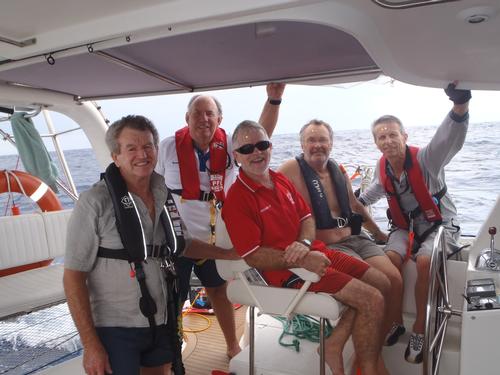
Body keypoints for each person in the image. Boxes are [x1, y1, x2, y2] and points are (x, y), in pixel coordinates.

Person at [63, 115, 239, 375]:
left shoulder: (162, 192)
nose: (141, 155)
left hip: (161, 320)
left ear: (157, 150)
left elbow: (183, 244)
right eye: (131, 148)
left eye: (147, 146)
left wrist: (228, 254)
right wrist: (91, 345)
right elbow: (73, 278)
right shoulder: (94, 203)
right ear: (116, 155)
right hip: (117, 327)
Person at [222, 120, 390, 375]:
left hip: (315, 253)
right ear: (236, 156)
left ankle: (333, 344)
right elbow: (253, 256)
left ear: (270, 146)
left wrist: (305, 244)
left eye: (262, 145)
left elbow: (307, 218)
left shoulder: (279, 179)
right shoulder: (237, 199)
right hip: (287, 274)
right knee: (371, 299)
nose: (256, 153)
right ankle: (369, 370)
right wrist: (300, 260)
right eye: (246, 149)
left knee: (383, 283)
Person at [156, 83, 285, 358]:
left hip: (216, 238)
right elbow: (151, 186)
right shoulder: (167, 148)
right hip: (177, 238)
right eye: (197, 113)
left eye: (209, 114)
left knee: (220, 292)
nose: (204, 119)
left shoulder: (230, 145)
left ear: (219, 119)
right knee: (174, 296)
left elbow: (262, 135)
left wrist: (273, 100)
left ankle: (231, 346)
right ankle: (172, 348)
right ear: (187, 119)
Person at [358, 82, 471, 364]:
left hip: (440, 226)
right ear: (376, 142)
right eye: (381, 137)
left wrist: (459, 106)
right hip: (404, 228)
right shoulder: (382, 169)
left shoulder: (426, 159)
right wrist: (340, 201)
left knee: (423, 261)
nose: (387, 141)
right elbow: (366, 197)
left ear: (404, 136)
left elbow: (448, 139)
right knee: (388, 260)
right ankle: (396, 321)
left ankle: (420, 327)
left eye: (392, 135)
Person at [278, 119, 403, 347]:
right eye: (311, 140)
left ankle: (382, 338)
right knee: (375, 286)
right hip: (329, 247)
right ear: (302, 144)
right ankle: (356, 348)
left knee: (394, 279)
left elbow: (355, 205)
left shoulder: (338, 169)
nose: (317, 145)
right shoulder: (289, 170)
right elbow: (274, 207)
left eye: (322, 140)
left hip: (356, 238)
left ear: (331, 143)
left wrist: (378, 234)